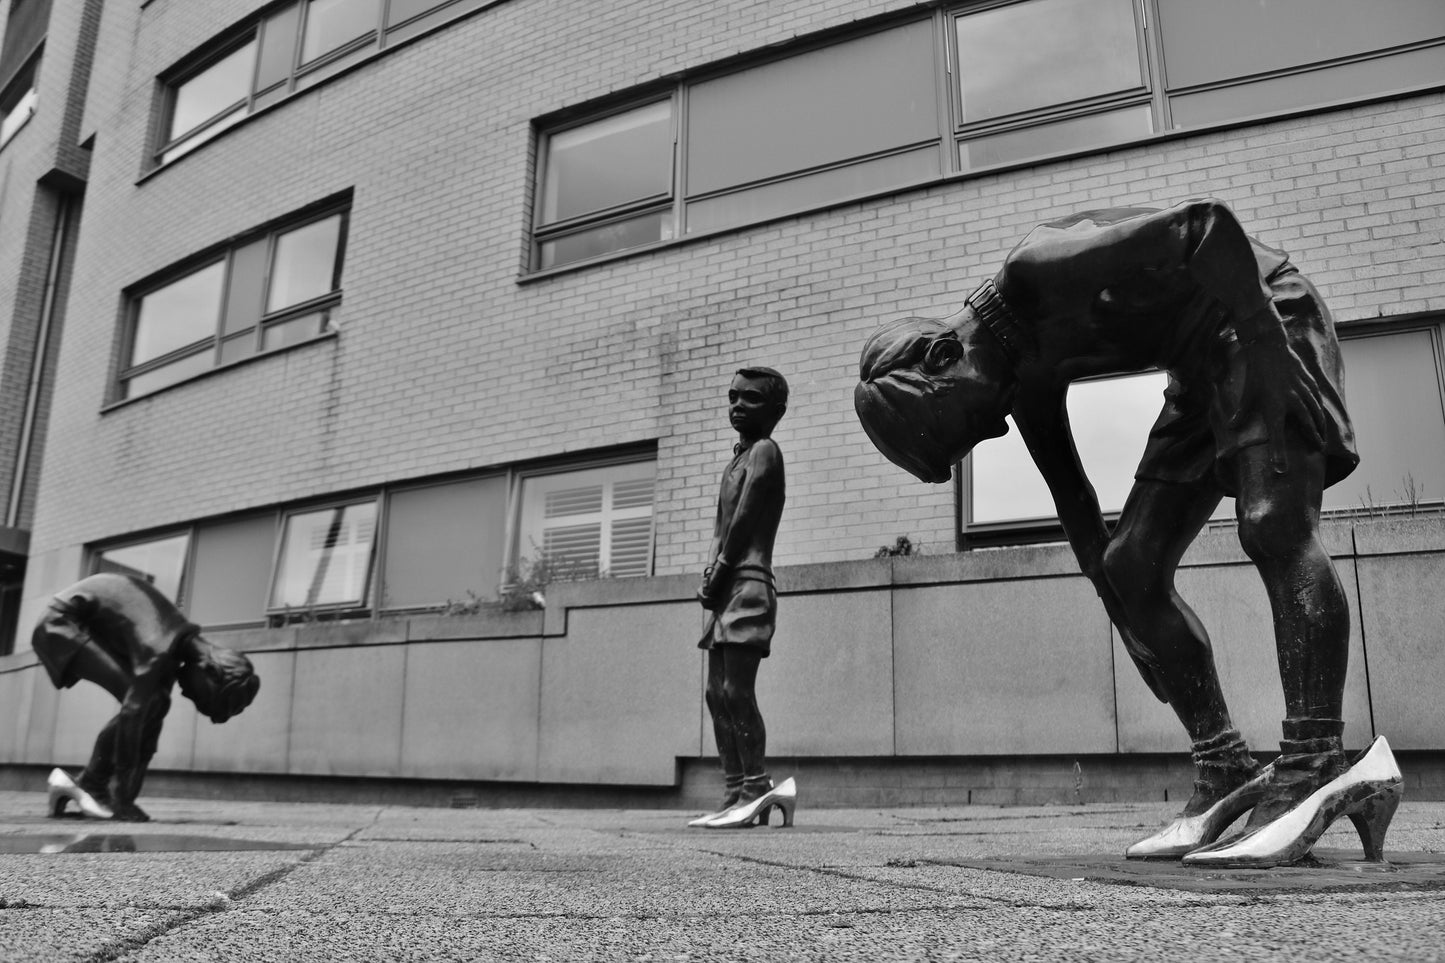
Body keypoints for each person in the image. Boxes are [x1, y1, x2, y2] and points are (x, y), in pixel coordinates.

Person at [854, 199, 1401, 867]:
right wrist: (1128, 618)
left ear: (942, 356)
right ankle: (1223, 764)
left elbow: (1207, 226)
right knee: (1130, 563)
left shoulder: (1037, 270)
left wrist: (1265, 344)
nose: (992, 432)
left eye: (969, 424)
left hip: (1261, 319)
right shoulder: (1016, 378)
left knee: (1271, 524)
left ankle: (1313, 759)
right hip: (1198, 372)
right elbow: (1078, 510)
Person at [35, 572, 260, 822]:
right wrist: (123, 801)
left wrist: (128, 797)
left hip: (83, 621)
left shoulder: (175, 646)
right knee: (144, 704)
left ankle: (87, 783)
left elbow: (151, 724)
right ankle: (93, 785)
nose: (186, 694)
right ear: (210, 670)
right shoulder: (158, 649)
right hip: (61, 623)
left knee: (156, 702)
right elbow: (133, 715)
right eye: (199, 697)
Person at [688, 366, 798, 829]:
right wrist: (712, 578)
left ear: (774, 410)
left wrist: (720, 571)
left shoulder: (766, 453)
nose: (737, 405)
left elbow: (744, 523)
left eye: (750, 399)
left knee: (737, 689)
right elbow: (721, 529)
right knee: (716, 694)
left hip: (747, 581)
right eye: (733, 396)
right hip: (726, 585)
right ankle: (735, 790)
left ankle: (756, 787)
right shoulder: (737, 459)